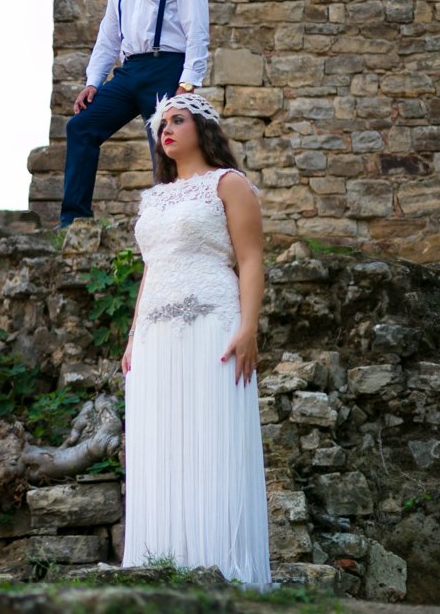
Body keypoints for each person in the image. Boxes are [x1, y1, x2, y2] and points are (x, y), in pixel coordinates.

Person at [119, 92, 271, 587]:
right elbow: (151, 270)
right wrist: (133, 335)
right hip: (156, 334)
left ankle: (224, 569)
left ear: (202, 128)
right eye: (161, 124)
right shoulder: (153, 198)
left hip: (213, 324)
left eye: (177, 120)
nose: (166, 130)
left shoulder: (229, 184)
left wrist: (247, 327)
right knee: (161, 440)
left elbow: (249, 259)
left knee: (212, 434)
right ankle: (162, 563)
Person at [60, 0, 210, 227]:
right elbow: (108, 40)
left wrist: (189, 82)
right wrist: (93, 82)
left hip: (167, 67)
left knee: (167, 144)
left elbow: (197, 31)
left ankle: (172, 222)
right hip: (129, 72)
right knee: (81, 127)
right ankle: (74, 219)